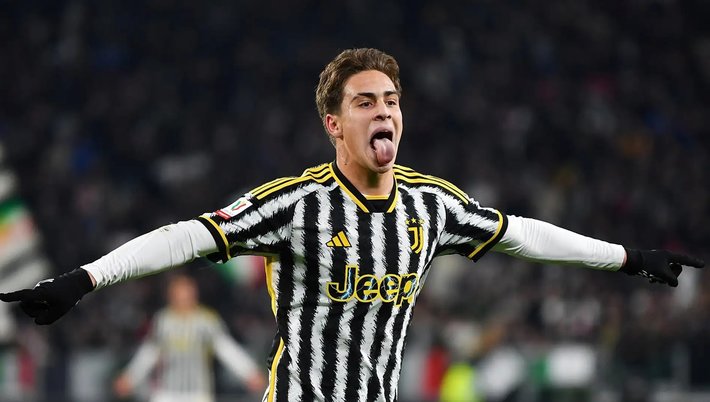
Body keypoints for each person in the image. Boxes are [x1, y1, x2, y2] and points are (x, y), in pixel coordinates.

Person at [0, 48, 704, 402]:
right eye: (365, 102)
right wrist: (84, 279)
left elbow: (521, 234)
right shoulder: (296, 205)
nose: (384, 110)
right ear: (334, 124)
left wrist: (627, 256)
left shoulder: (433, 205)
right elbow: (188, 235)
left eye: (391, 99)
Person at [112, 274, 265, 402]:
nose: (184, 298)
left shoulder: (206, 321)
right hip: (167, 393)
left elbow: (226, 349)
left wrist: (249, 372)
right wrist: (130, 378)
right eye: (179, 294)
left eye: (188, 293)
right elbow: (149, 352)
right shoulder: (163, 321)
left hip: (198, 393)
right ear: (171, 296)